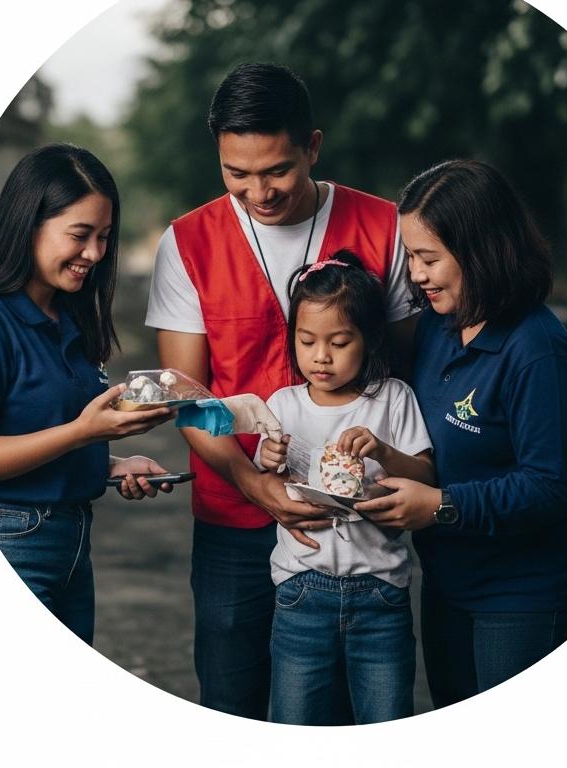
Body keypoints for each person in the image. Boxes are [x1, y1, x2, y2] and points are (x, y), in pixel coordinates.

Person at [144, 62, 419, 719]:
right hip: (232, 518)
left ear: (312, 147)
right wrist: (253, 481)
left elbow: (405, 373)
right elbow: (187, 396)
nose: (258, 192)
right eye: (236, 174)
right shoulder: (186, 243)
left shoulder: (386, 228)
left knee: (354, 714)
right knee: (232, 700)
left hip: (357, 531)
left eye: (277, 171)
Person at [353, 159, 567, 708]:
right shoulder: (436, 327)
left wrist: (441, 506)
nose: (416, 275)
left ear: (482, 251)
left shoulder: (538, 352)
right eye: (409, 256)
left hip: (520, 597)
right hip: (446, 584)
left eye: (429, 258)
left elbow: (554, 486)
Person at [0, 143, 176, 644]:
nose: (95, 253)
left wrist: (107, 462)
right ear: (29, 224)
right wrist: (81, 434)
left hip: (70, 543)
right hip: (9, 541)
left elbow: (35, 436)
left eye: (105, 237)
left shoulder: (66, 319)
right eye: (80, 234)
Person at [253, 251, 434, 724]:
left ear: (369, 339)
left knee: (386, 717)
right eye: (307, 340)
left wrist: (382, 453)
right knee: (294, 718)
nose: (321, 356)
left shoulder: (394, 398)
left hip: (379, 590)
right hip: (299, 590)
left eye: (339, 341)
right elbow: (266, 478)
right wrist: (269, 459)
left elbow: (427, 478)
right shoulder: (283, 405)